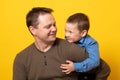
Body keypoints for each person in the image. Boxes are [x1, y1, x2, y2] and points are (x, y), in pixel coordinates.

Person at [13, 7, 89, 80]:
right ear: (33, 30)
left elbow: (100, 68)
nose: (54, 29)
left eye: (54, 25)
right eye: (48, 26)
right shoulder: (22, 59)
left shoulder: (71, 49)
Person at [60, 13, 111, 80]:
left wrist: (75, 67)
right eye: (65, 31)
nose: (66, 35)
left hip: (100, 71)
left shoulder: (91, 43)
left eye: (70, 32)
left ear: (83, 33)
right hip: (84, 71)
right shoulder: (70, 39)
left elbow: (94, 61)